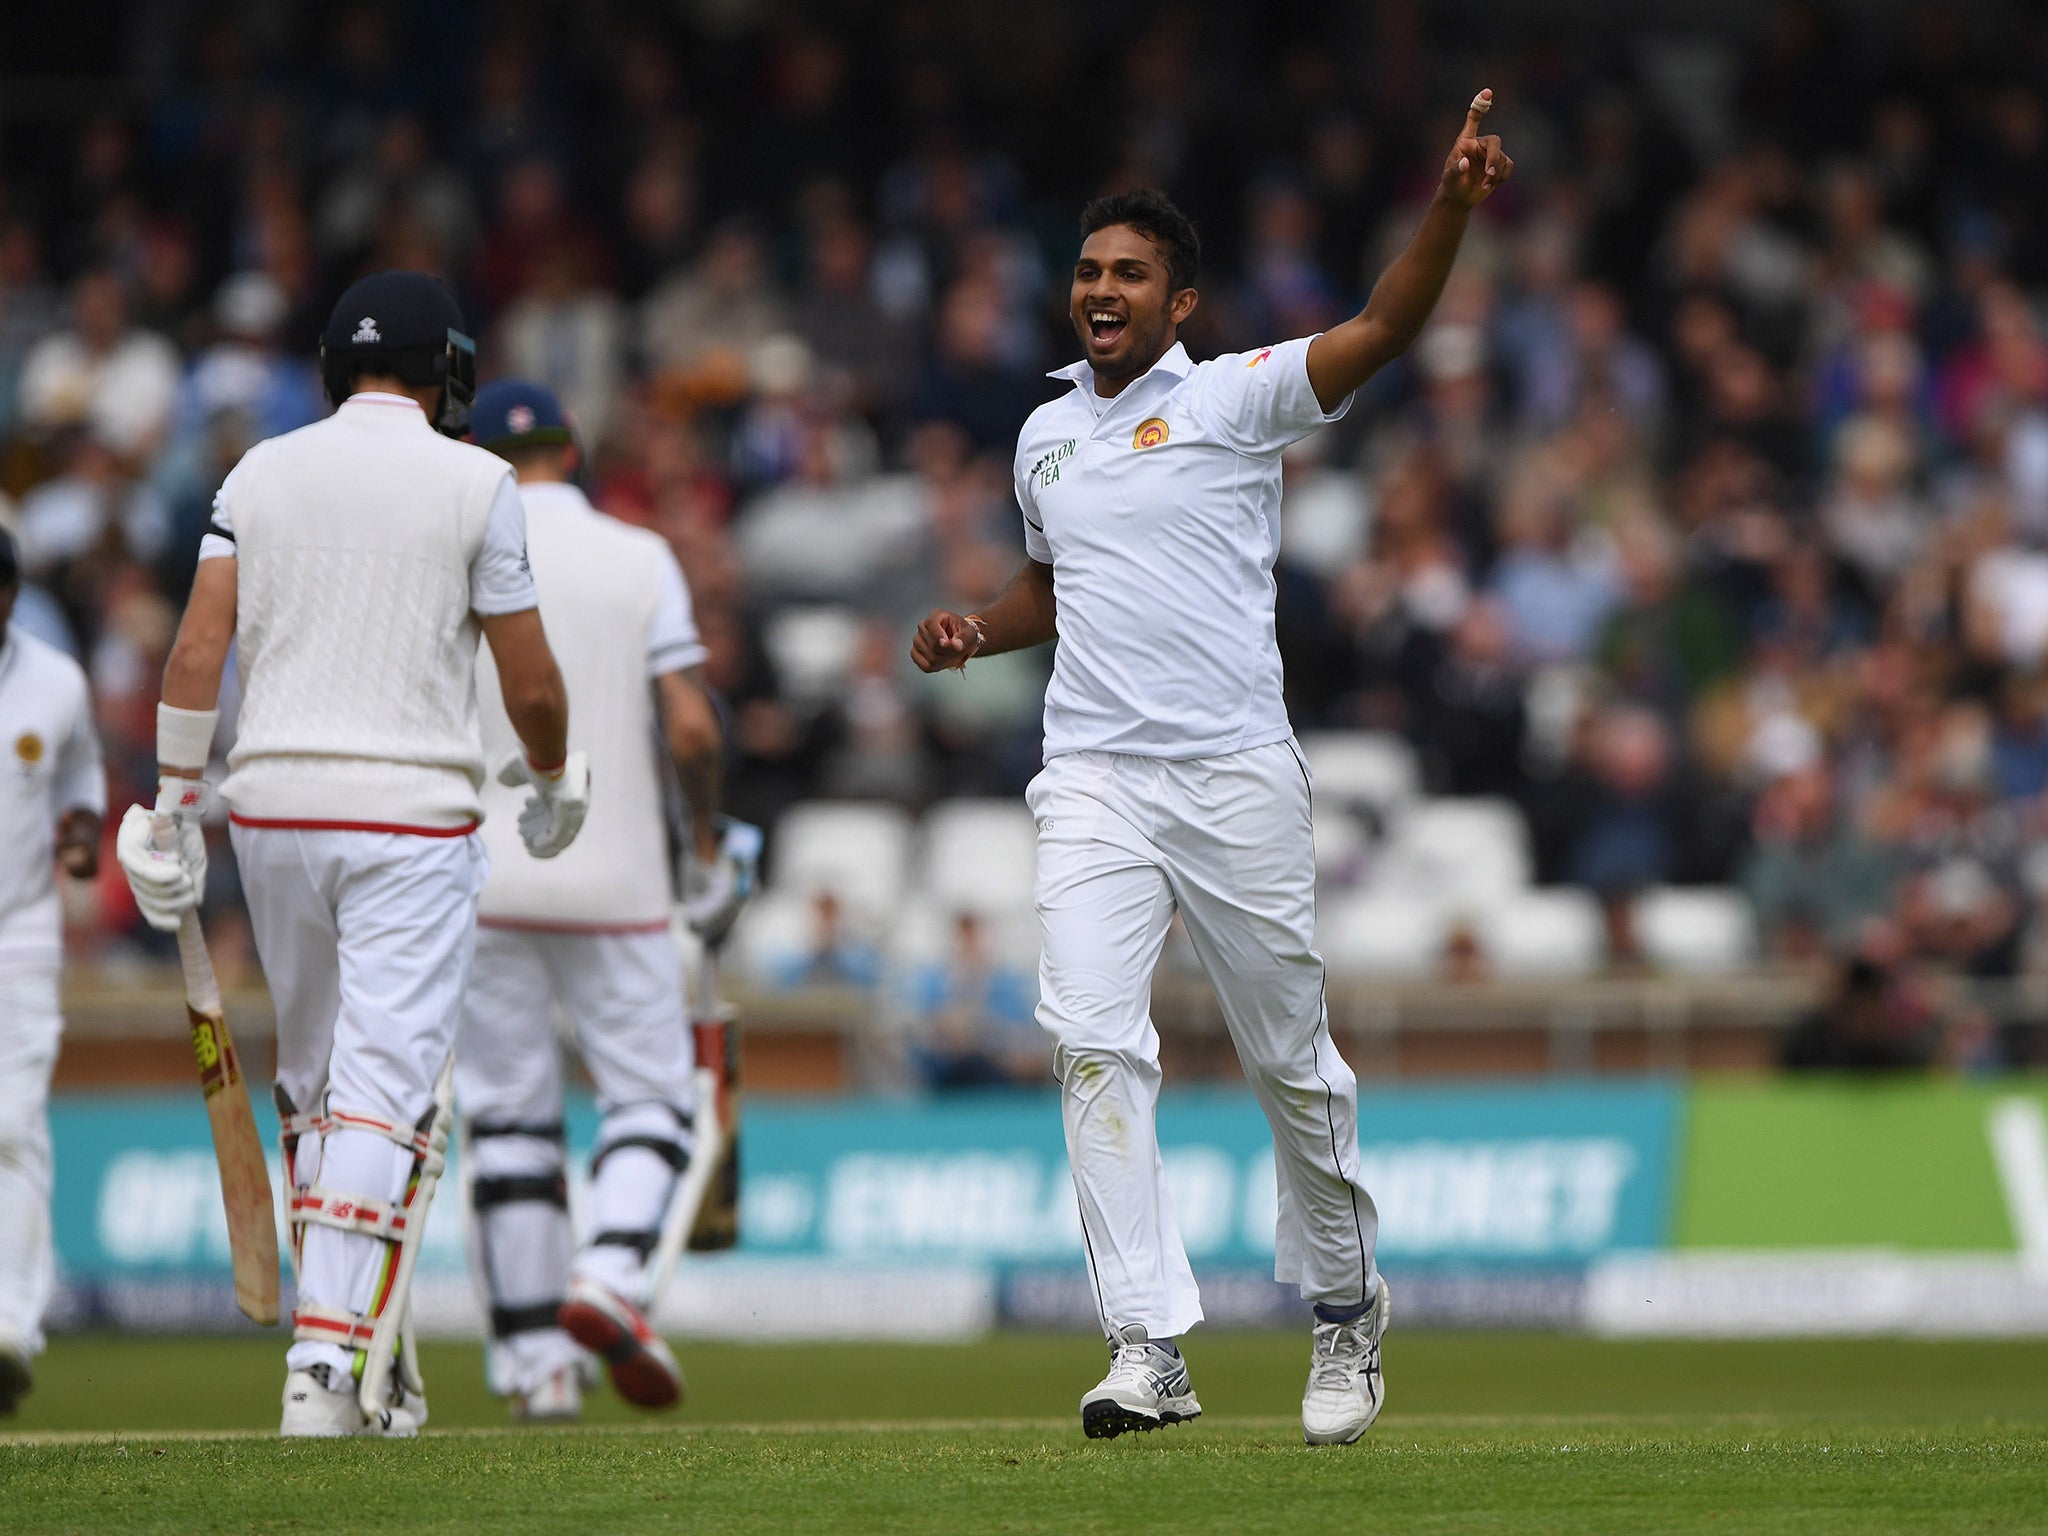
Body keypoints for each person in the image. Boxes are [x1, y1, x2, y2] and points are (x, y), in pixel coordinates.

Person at [912, 93, 1513, 1445]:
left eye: (1129, 274)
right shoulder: (1041, 435)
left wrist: (1454, 207)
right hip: (1094, 779)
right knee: (1086, 1038)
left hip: (1235, 770)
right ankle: (1148, 1344)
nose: (1101, 290)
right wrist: (975, 631)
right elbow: (1052, 588)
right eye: (1087, 272)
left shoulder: (1237, 397)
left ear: (1180, 303)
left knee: (1288, 1061)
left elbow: (1385, 327)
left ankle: (1349, 1306)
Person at [114, 272, 589, 1438]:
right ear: (447, 371)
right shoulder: (479, 480)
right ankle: (326, 1368)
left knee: (317, 1082)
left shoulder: (258, 470)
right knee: (382, 1092)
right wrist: (550, 774)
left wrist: (174, 804)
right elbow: (528, 680)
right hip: (412, 815)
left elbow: (192, 655)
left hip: (272, 809)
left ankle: (354, 1354)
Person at [454, 380, 757, 1422]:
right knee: (650, 1100)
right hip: (619, 875)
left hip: (482, 872)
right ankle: (609, 1275)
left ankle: (539, 1363)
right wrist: (707, 848)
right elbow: (691, 727)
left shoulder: (456, 550)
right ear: (573, 454)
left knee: (507, 1122)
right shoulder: (637, 556)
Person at [0, 526, 104, 1415]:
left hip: (20, 930)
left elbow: (81, 786)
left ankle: (9, 1330)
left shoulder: (56, 680)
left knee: (12, 1122)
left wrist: (78, 838)